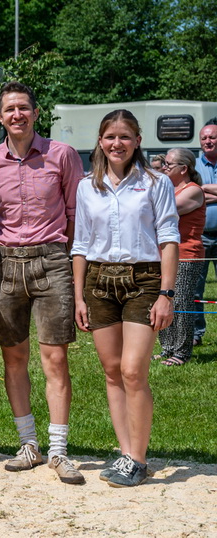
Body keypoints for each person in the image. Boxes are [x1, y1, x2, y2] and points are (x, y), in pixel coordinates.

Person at [0, 82, 86, 484]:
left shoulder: (63, 155)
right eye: (9, 109)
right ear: (0, 117)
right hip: (5, 263)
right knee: (14, 357)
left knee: (55, 358)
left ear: (36, 113)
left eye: (24, 107)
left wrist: (75, 267)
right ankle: (28, 444)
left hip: (53, 260)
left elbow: (77, 215)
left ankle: (58, 451)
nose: (17, 115)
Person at [72, 109, 178, 487]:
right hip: (99, 281)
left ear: (137, 140)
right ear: (100, 141)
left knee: (134, 371)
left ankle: (138, 457)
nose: (117, 143)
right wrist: (79, 296)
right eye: (110, 136)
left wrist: (166, 293)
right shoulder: (87, 186)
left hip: (144, 280)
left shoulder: (156, 182)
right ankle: (124, 453)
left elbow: (168, 239)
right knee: (112, 372)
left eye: (125, 136)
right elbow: (81, 244)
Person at [158, 148, 205, 366]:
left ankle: (182, 351)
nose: (163, 168)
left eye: (168, 164)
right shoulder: (168, 189)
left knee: (181, 302)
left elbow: (168, 210)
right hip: (163, 255)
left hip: (187, 255)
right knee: (162, 301)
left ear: (184, 169)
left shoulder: (193, 191)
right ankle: (167, 347)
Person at [192, 122, 217, 346]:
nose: (207, 142)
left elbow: (198, 192)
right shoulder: (194, 165)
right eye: (203, 138)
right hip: (199, 235)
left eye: (212, 138)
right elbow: (191, 193)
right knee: (196, 287)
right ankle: (196, 334)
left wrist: (203, 190)